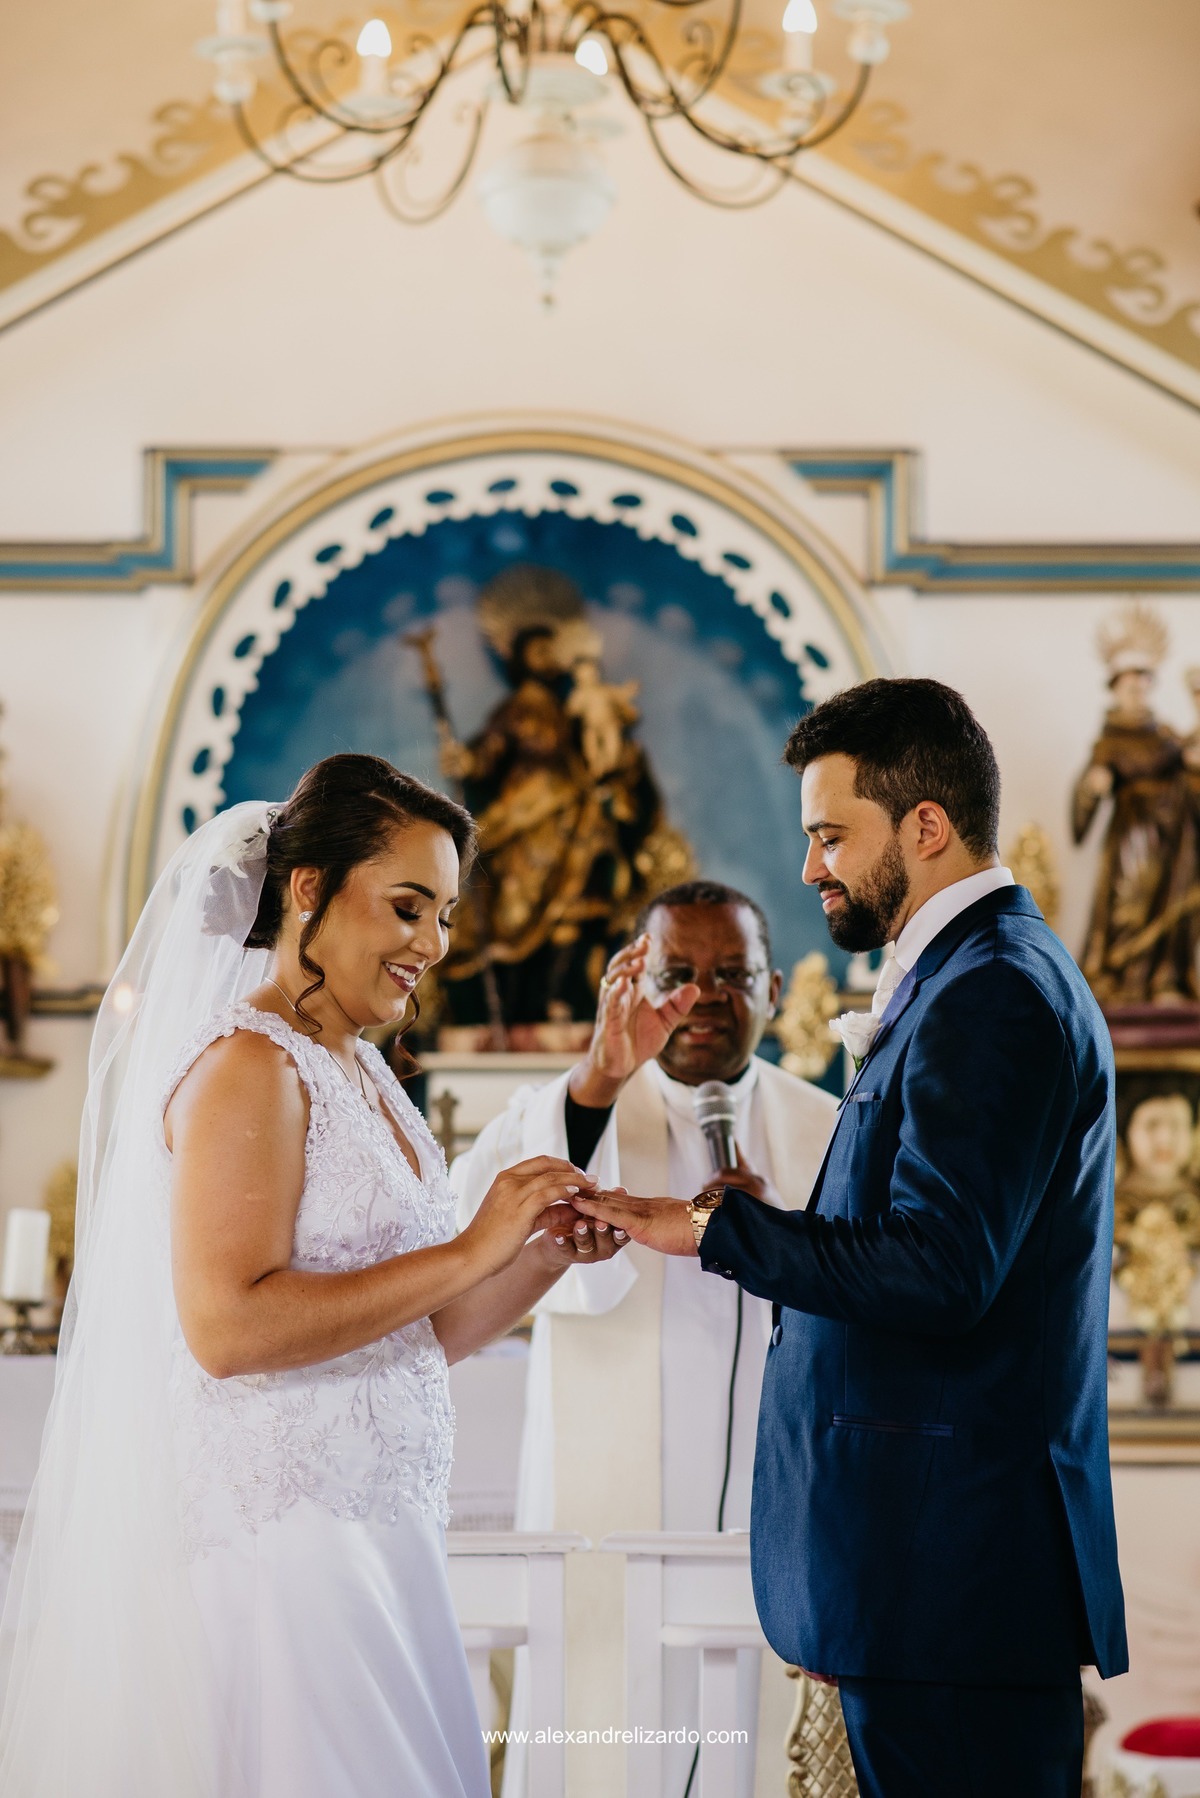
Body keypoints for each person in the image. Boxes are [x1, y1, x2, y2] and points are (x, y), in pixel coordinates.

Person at [0, 753, 624, 1798]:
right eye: (409, 906)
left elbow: (417, 1332)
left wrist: (540, 1256)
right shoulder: (251, 1064)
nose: (434, 943)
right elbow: (228, 1326)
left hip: (385, 1541)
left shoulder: (358, 1066)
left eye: (447, 914)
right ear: (307, 889)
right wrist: (473, 1243)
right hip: (289, 1556)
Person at [574, 680, 1128, 1798]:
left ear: (926, 825)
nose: (811, 865)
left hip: (952, 1582)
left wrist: (715, 1228)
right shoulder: (972, 975)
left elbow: (939, 1266)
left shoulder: (995, 991)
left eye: (832, 834)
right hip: (938, 1582)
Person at [452, 879, 836, 1798]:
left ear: (775, 990)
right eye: (679, 973)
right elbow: (467, 1218)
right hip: (611, 1512)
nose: (706, 996)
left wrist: (779, 1236)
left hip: (773, 1499)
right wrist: (597, 1078)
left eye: (733, 974)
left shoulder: (829, 1127)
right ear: (631, 980)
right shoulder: (579, 1107)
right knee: (604, 1737)